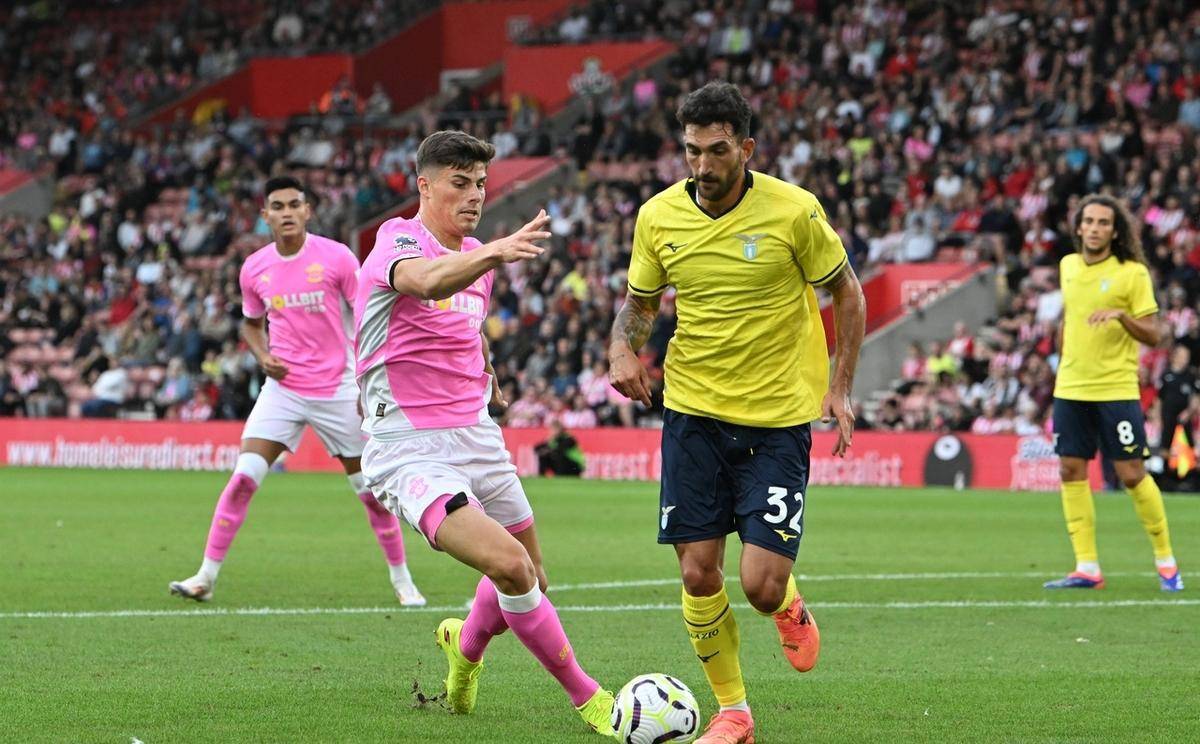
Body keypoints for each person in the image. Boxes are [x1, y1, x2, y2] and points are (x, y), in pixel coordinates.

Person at [608, 82, 866, 744]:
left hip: (776, 420)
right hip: (692, 413)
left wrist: (840, 386)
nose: (702, 164)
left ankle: (787, 604)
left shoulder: (794, 211)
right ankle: (735, 713)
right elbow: (640, 303)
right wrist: (621, 349)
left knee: (760, 585)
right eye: (692, 150)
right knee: (698, 571)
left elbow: (847, 291)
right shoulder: (658, 217)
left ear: (746, 149)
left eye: (717, 150)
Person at [353, 131, 615, 736]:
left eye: (480, 185)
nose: (474, 195)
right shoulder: (397, 240)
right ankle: (591, 699)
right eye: (460, 183)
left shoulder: (476, 259)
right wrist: (495, 251)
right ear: (424, 186)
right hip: (409, 448)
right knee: (511, 566)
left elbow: (467, 330)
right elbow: (425, 283)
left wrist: (489, 377)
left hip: (477, 435)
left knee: (532, 575)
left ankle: (463, 652)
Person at [169, 176, 424, 606]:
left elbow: (367, 315)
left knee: (370, 493)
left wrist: (366, 381)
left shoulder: (337, 257)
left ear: (307, 211)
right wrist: (261, 355)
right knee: (242, 479)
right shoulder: (254, 268)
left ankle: (403, 581)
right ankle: (205, 577)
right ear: (265, 216)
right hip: (283, 390)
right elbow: (251, 325)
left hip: (338, 388)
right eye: (278, 206)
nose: (286, 212)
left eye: (293, 204)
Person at [1044, 194, 1182, 592]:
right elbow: (1072, 319)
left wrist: (1122, 316)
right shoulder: (1068, 266)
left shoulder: (1132, 274)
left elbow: (1154, 334)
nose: (1094, 228)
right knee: (1070, 470)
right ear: (1078, 227)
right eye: (1088, 221)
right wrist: (1063, 356)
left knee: (1131, 473)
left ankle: (1166, 561)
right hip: (1071, 387)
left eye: (1103, 222)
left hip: (1115, 388)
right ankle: (1086, 567)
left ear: (1115, 231)